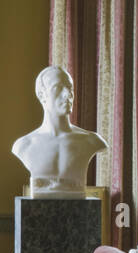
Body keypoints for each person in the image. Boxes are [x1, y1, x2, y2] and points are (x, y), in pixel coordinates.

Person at [12, 65, 107, 198]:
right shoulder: (24, 145)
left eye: (70, 87)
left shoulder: (91, 141)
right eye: (58, 88)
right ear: (42, 95)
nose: (68, 94)